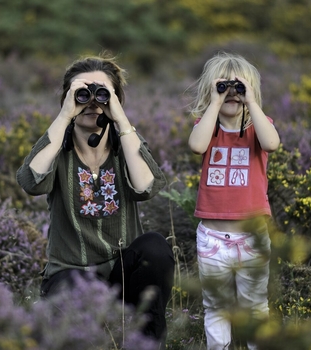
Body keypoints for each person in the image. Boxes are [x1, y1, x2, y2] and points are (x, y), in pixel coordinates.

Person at [16, 54, 174, 347]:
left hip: (122, 273)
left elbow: (146, 186)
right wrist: (64, 116)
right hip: (71, 274)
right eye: (82, 94)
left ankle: (148, 343)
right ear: (68, 99)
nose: (92, 102)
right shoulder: (57, 150)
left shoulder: (124, 146)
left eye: (102, 94)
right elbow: (31, 181)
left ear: (115, 100)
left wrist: (121, 120)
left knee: (155, 247)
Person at [188, 52, 280, 350]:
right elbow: (196, 145)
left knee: (255, 307)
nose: (232, 93)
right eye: (224, 87)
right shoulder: (208, 127)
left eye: (239, 87)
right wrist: (215, 104)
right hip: (212, 237)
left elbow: (272, 144)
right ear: (210, 91)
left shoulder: (259, 126)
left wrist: (251, 103)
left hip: (252, 236)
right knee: (216, 306)